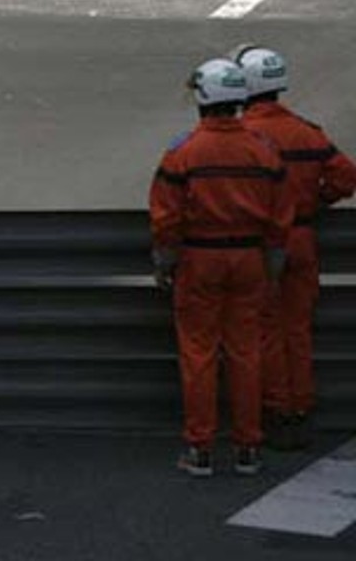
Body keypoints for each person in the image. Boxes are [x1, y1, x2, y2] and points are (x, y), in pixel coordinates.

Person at [150, 58, 291, 479]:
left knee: (198, 355)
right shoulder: (264, 150)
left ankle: (200, 448)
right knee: (246, 353)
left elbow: (165, 218)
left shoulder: (183, 152)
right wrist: (272, 266)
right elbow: (280, 217)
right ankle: (249, 447)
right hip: (250, 259)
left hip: (200, 260)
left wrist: (164, 264)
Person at [233, 45, 356, 451]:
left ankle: (274, 408)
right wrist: (316, 201)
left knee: (264, 329)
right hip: (302, 237)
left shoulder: (244, 136)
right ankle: (300, 407)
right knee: (298, 329)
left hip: (259, 243)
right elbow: (344, 177)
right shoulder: (307, 131)